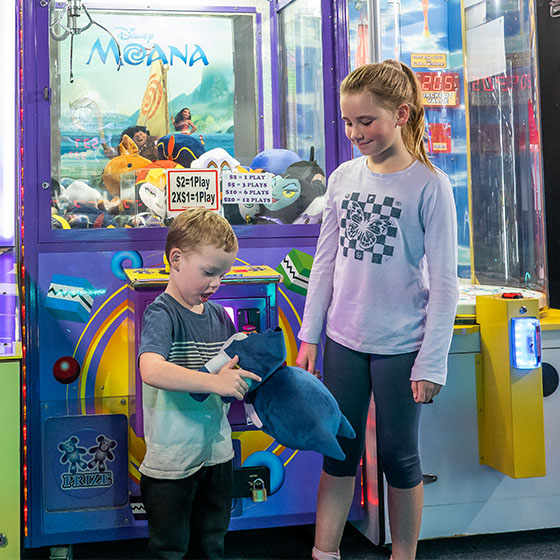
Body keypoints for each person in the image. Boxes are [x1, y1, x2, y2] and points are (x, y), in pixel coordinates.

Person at [296, 60, 459, 560]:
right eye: (348, 123)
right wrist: (309, 336)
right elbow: (323, 265)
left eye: (365, 121)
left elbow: (446, 284)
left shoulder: (431, 186)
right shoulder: (343, 177)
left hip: (402, 348)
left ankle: (403, 556)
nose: (355, 132)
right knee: (339, 451)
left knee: (399, 456)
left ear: (402, 114)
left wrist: (432, 360)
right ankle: (325, 552)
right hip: (344, 340)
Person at [138, 207, 261, 559]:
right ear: (176, 259)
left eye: (222, 275)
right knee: (170, 548)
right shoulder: (162, 313)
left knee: (212, 542)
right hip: (172, 462)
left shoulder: (221, 316)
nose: (215, 284)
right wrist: (215, 383)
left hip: (217, 454)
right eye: (208, 272)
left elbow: (229, 375)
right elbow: (152, 370)